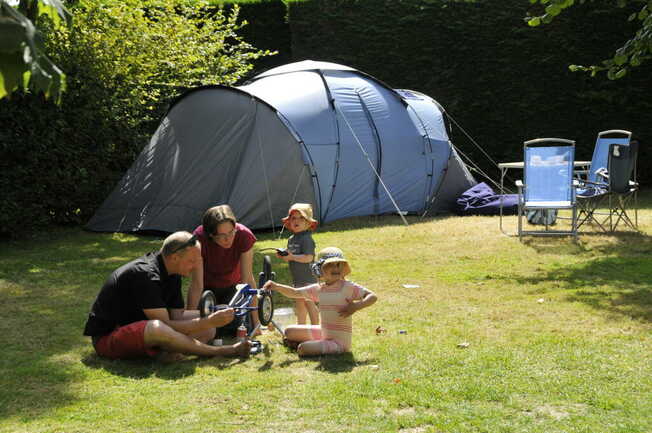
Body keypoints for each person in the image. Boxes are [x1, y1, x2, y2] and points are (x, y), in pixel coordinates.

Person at [83, 232, 250, 360]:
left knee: (208, 328)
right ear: (175, 257)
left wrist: (212, 316)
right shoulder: (145, 274)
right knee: (159, 328)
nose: (196, 266)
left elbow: (177, 315)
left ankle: (167, 351)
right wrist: (207, 320)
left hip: (146, 330)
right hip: (108, 339)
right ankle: (223, 351)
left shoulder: (173, 272)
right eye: (192, 261)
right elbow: (166, 324)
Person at [263, 247, 377, 356]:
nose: (335, 268)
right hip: (324, 332)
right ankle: (308, 343)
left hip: (339, 343)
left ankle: (303, 345)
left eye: (338, 265)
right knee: (288, 331)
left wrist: (356, 306)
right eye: (330, 265)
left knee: (303, 349)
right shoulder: (319, 289)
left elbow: (372, 296)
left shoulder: (347, 287)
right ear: (320, 269)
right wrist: (276, 286)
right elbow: (295, 293)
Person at [187, 205, 261, 336]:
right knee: (206, 327)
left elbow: (247, 280)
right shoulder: (199, 239)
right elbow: (196, 284)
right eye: (222, 236)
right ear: (210, 235)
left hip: (234, 288)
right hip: (208, 290)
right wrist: (190, 324)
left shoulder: (244, 235)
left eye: (231, 232)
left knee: (238, 326)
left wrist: (256, 323)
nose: (228, 239)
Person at [278, 203, 319, 325]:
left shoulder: (307, 238)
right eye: (293, 218)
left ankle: (316, 328)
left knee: (309, 304)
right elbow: (292, 254)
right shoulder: (291, 238)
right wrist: (285, 255)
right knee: (300, 304)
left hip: (308, 278)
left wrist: (292, 257)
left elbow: (308, 257)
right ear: (289, 222)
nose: (297, 221)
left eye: (301, 218)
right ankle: (301, 327)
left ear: (308, 223)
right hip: (297, 278)